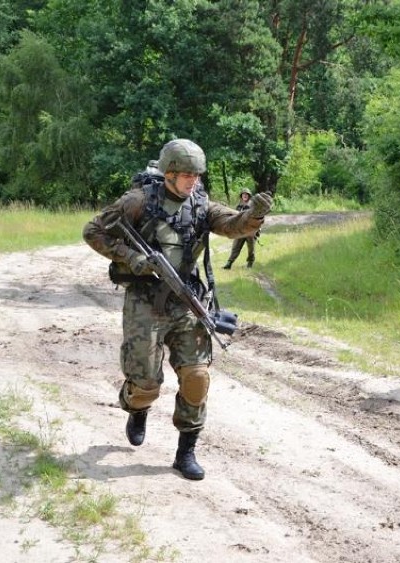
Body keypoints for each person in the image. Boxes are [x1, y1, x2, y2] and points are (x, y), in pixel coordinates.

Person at [83, 139, 272, 480]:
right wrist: (132, 258)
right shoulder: (138, 201)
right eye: (185, 175)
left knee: (197, 377)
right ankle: (137, 408)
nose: (192, 181)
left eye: (196, 175)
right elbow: (93, 231)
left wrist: (255, 215)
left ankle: (186, 452)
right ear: (168, 174)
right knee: (146, 384)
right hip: (145, 300)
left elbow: (234, 226)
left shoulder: (200, 204)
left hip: (187, 301)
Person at [222, 187, 257, 269]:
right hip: (240, 230)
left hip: (250, 231)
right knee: (235, 247)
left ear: (249, 196)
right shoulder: (239, 206)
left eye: (246, 194)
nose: (244, 196)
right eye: (243, 194)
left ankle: (250, 263)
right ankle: (229, 263)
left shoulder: (253, 206)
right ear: (241, 196)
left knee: (251, 248)